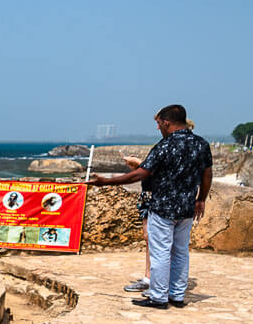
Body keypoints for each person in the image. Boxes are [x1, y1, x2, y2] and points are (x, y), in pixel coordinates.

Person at [89, 106, 212, 308]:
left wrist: (106, 182)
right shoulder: (201, 144)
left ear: (166, 122)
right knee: (181, 251)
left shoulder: (165, 146)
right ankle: (177, 295)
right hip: (187, 208)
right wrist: (201, 198)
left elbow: (139, 174)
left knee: (161, 252)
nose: (157, 128)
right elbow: (207, 174)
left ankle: (158, 296)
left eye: (158, 123)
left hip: (163, 208)